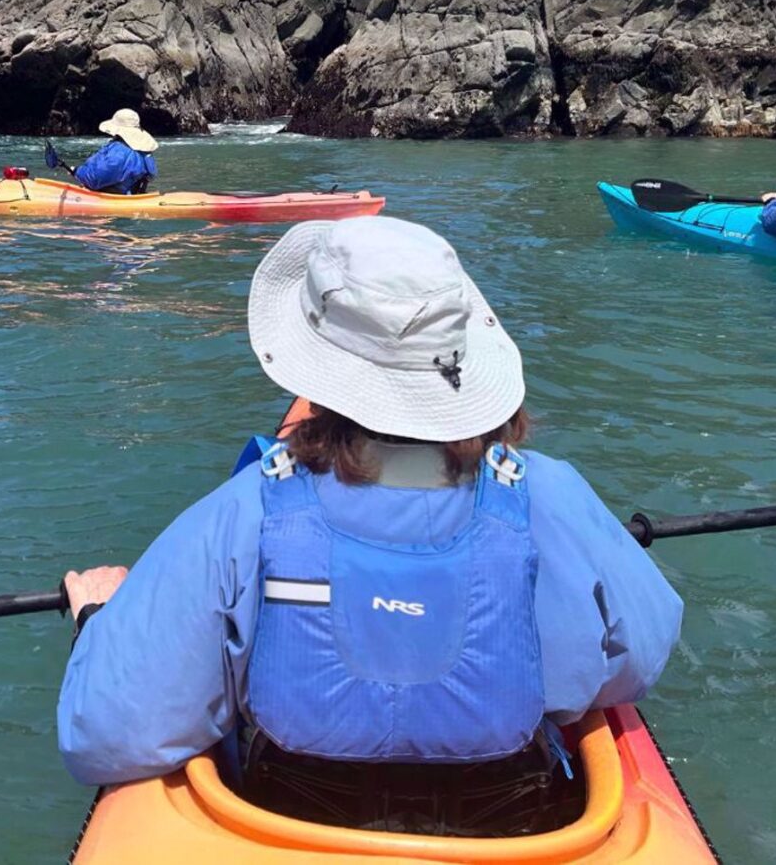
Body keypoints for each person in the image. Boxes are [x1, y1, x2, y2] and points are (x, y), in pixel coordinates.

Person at [56, 216, 682, 830]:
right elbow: (640, 659)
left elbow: (105, 734)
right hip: (514, 823)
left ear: (315, 366)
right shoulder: (550, 492)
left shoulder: (246, 507)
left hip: (290, 824)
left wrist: (99, 619)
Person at [69, 108, 158, 194]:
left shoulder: (120, 152)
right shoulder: (143, 151)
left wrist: (77, 171)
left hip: (115, 197)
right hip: (133, 193)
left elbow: (95, 179)